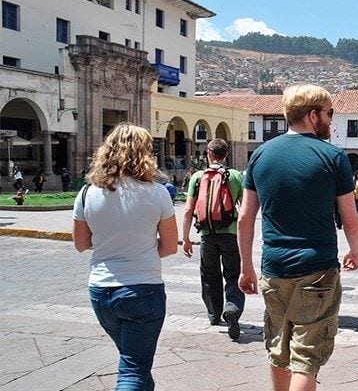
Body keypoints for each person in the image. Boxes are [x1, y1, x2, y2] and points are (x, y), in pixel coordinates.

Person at [237, 84, 358, 391]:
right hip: (316, 269)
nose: (331, 121)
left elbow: (245, 218)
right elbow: (350, 218)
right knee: (306, 358)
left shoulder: (261, 155)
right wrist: (354, 249)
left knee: (278, 349)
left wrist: (246, 267)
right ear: (313, 115)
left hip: (273, 269)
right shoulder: (332, 156)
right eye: (329, 114)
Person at [71, 123, 178, 391]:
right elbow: (170, 246)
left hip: (101, 292)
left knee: (135, 363)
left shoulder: (86, 193)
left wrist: (112, 242)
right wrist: (140, 245)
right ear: (144, 153)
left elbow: (81, 244)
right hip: (143, 290)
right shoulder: (158, 193)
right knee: (133, 369)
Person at [182, 138, 245, 339]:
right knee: (233, 275)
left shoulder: (198, 177)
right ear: (226, 154)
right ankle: (233, 308)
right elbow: (244, 211)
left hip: (207, 235)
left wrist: (185, 238)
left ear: (208, 154)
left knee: (210, 276)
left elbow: (188, 210)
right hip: (231, 234)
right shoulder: (235, 176)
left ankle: (213, 314)